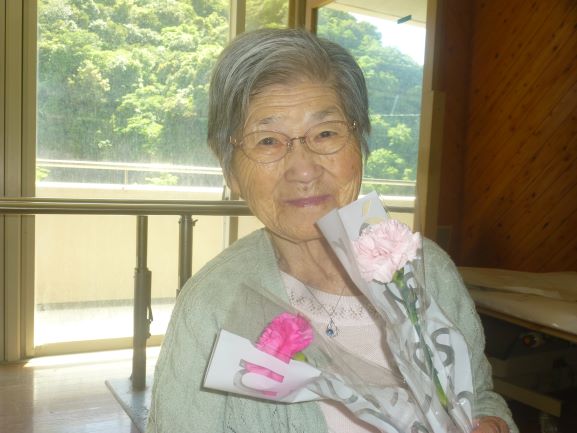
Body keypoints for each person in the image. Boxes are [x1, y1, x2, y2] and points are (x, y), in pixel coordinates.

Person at [147, 28, 518, 433]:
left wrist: (491, 421)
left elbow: (479, 394)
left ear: (359, 144)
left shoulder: (425, 267)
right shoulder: (212, 305)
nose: (304, 169)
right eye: (268, 141)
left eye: (325, 133)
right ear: (230, 170)